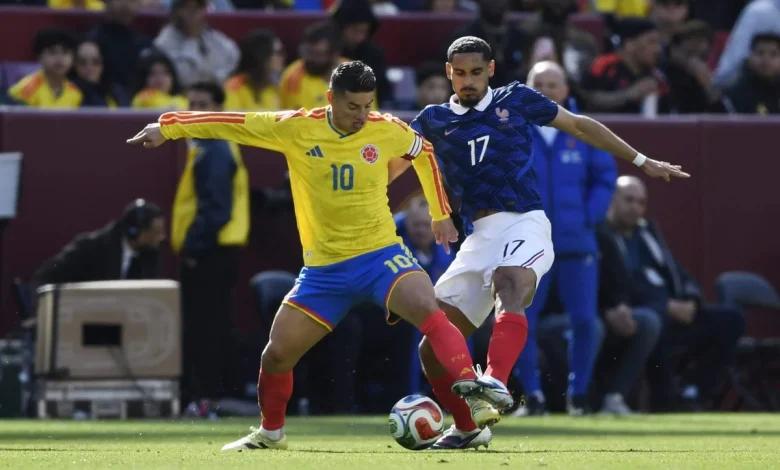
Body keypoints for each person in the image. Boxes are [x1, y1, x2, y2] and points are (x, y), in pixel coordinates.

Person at [127, 60, 501, 452]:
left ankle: (471, 408)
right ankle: (271, 434)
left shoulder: (386, 129)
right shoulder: (296, 128)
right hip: (323, 272)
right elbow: (231, 122)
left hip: (380, 255)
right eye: (353, 106)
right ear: (330, 99)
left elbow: (423, 150)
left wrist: (441, 215)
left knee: (429, 310)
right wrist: (168, 127)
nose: (361, 115)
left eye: (367, 105)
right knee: (275, 356)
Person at [401, 36, 688, 450]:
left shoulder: (516, 99)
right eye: (460, 73)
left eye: (476, 72)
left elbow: (580, 125)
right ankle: (467, 428)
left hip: (524, 222)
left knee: (509, 283)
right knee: (431, 348)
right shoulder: (431, 120)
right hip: (476, 237)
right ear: (449, 73)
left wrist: (643, 161)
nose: (468, 81)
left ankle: (495, 380)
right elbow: (395, 163)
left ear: (491, 70)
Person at [512, 61, 617, 417]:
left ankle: (580, 394)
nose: (546, 90)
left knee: (585, 320)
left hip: (575, 241)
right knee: (521, 319)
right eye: (538, 84)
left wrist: (590, 216)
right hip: (529, 243)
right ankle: (533, 395)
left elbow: (605, 177)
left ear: (566, 89)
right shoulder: (513, 129)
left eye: (552, 84)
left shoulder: (584, 129)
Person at [598, 176, 744, 412]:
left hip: (675, 313)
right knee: (654, 325)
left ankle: (694, 391)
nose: (635, 207)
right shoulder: (602, 236)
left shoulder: (648, 234)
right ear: (612, 199)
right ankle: (664, 404)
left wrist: (691, 301)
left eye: (641, 202)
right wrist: (664, 305)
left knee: (732, 320)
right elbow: (616, 287)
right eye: (629, 200)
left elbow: (677, 271)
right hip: (641, 317)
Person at [173, 82, 250, 413]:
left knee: (204, 329)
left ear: (220, 107)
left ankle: (205, 396)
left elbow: (215, 209)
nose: (194, 111)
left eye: (202, 104)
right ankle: (213, 394)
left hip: (209, 253)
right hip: (215, 251)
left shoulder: (214, 146)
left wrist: (192, 247)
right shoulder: (210, 144)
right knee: (212, 325)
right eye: (191, 103)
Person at [34, 199, 166, 286]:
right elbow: (46, 277)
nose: (162, 237)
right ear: (134, 231)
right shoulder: (90, 247)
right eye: (155, 232)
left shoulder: (149, 255)